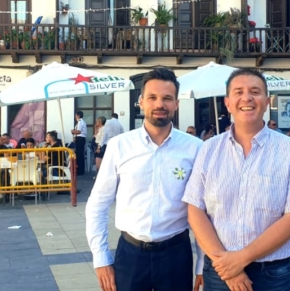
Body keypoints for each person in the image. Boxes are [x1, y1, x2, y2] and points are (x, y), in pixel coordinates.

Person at [183, 68, 290, 291]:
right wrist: (227, 265)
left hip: (272, 274)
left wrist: (240, 259)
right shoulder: (209, 149)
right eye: (238, 92)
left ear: (267, 101)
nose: (246, 98)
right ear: (227, 103)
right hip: (219, 271)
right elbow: (195, 210)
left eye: (255, 91)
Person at [85, 68, 204, 291]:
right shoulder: (120, 146)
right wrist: (101, 258)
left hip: (176, 255)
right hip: (130, 254)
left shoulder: (195, 148)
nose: (160, 104)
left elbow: (204, 210)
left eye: (167, 98)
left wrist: (202, 264)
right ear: (141, 102)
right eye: (152, 97)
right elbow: (97, 204)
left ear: (176, 104)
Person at [71, 110, 87, 175]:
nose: (75, 117)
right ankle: (80, 170)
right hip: (80, 138)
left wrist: (72, 131)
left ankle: (80, 171)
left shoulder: (80, 122)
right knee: (79, 154)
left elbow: (79, 131)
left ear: (78, 115)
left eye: (76, 115)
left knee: (79, 154)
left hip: (80, 138)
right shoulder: (80, 122)